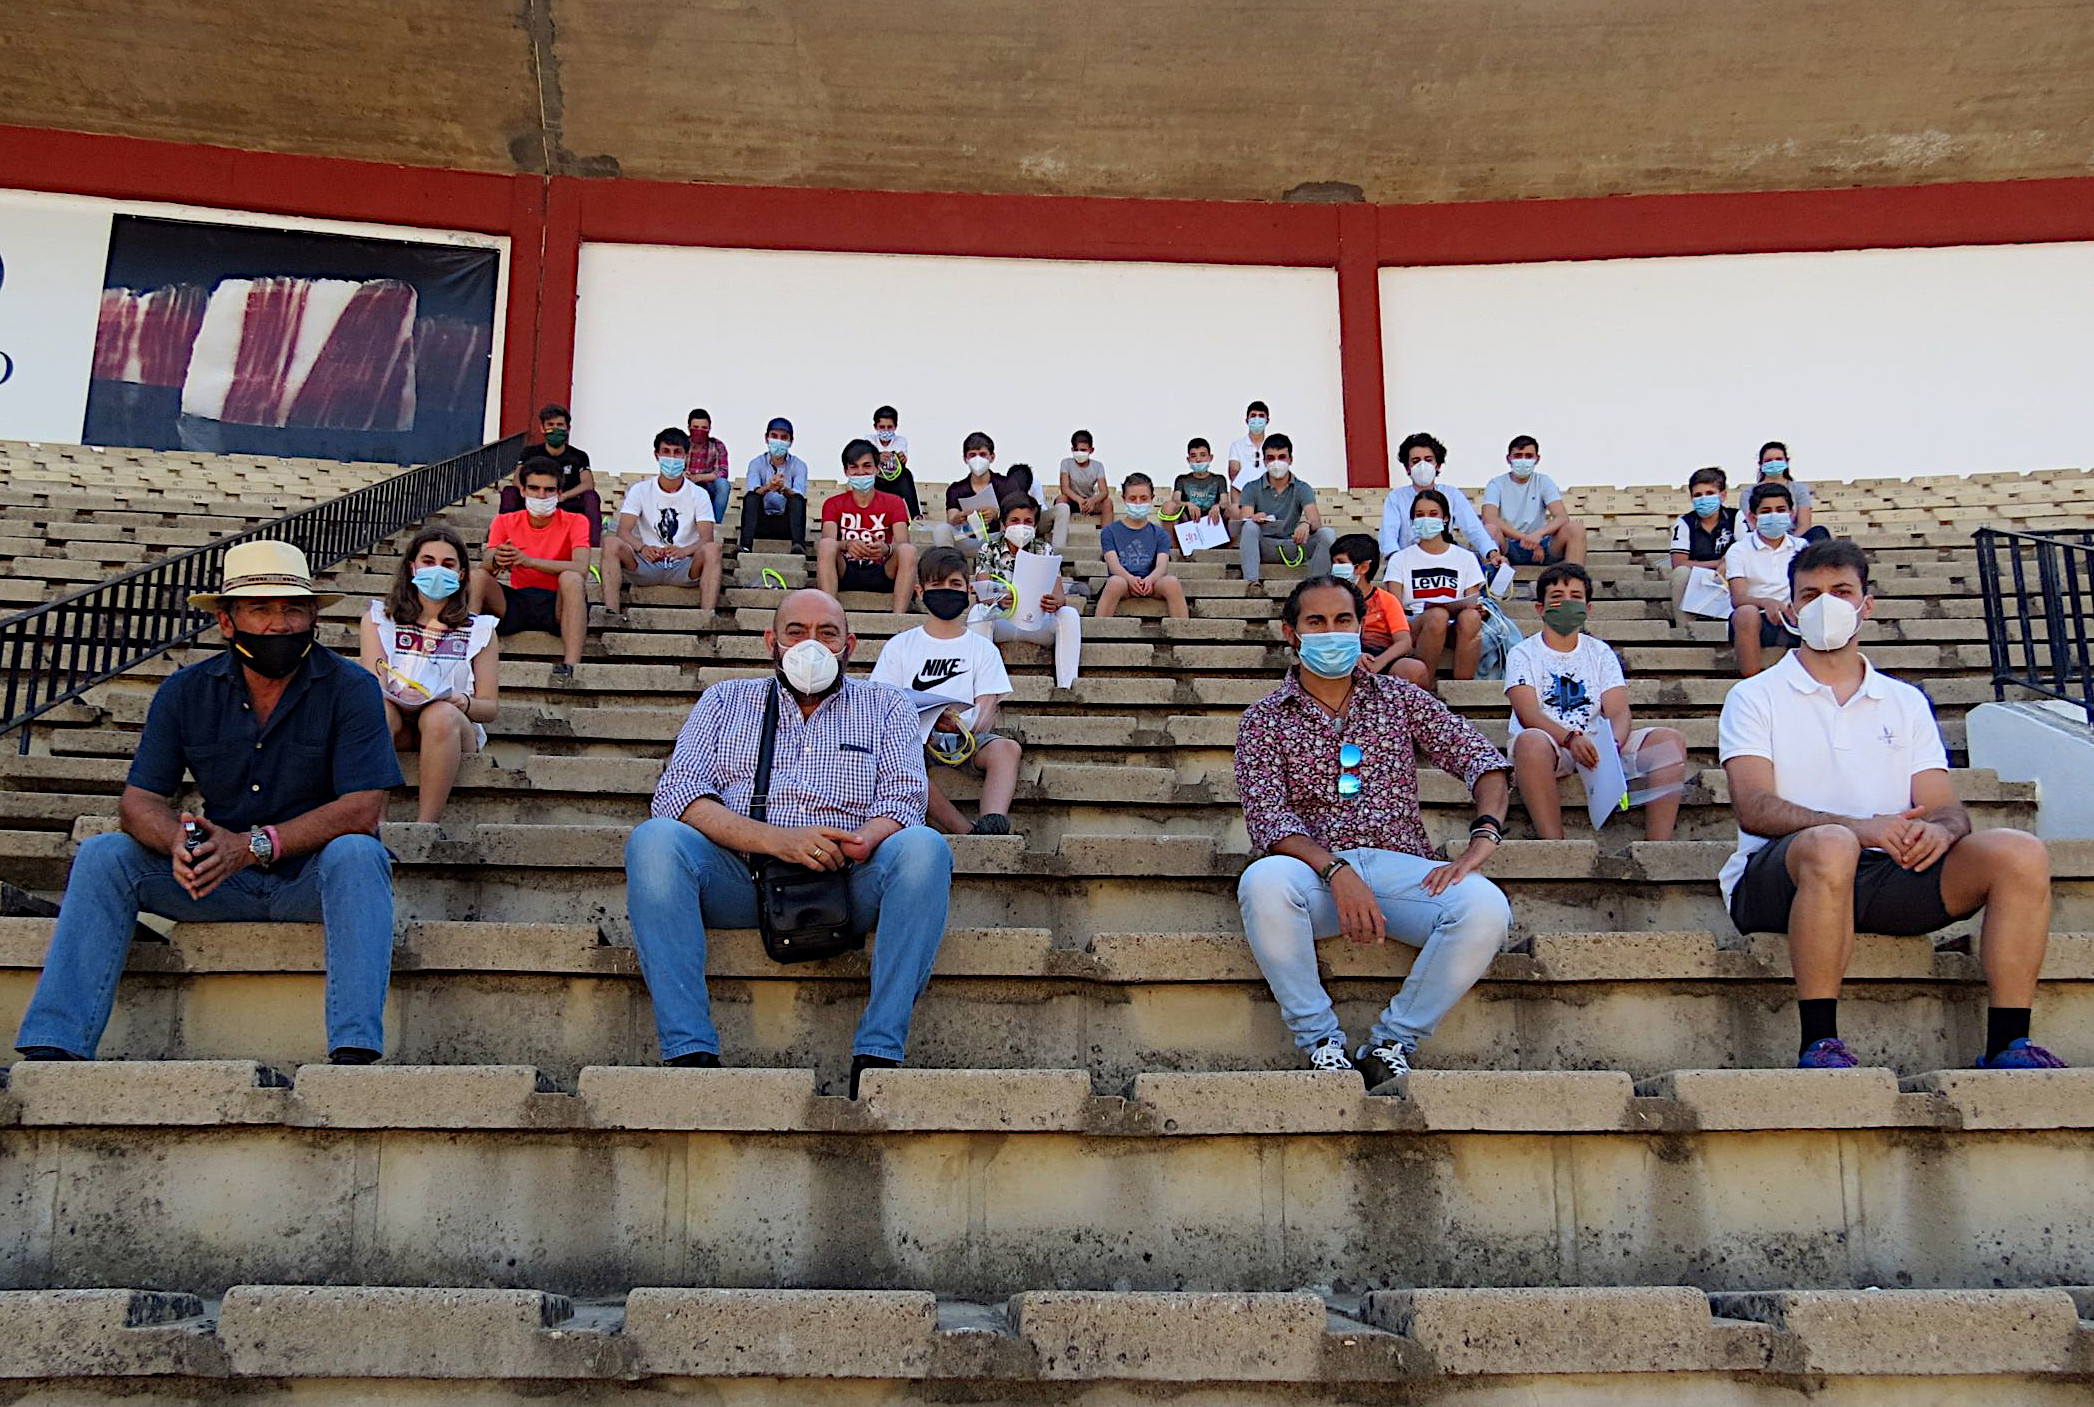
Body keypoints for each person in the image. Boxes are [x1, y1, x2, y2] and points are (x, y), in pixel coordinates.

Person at [13, 541, 400, 1065]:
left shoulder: (352, 687)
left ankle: (355, 1051)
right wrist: (178, 840)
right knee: (106, 855)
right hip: (216, 879)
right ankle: (54, 1044)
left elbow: (361, 808)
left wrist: (252, 845)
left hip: (313, 879)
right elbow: (139, 800)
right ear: (226, 620)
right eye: (259, 609)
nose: (278, 624)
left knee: (359, 854)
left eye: (291, 609)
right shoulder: (185, 691)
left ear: (313, 615)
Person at [1718, 539, 2062, 1070]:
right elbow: (1754, 808)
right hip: (1778, 878)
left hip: (1887, 875)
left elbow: (1946, 808)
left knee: (2020, 851)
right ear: (1789, 609)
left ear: (1866, 604)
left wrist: (1942, 832)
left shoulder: (1904, 701)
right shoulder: (1755, 695)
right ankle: (1819, 1041)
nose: (1825, 604)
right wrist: (1861, 828)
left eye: (1841, 591)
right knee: (1832, 844)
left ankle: (2009, 1042)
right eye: (1809, 594)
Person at [625, 590, 953, 1097]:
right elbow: (677, 795)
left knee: (927, 849)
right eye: (796, 631)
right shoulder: (723, 699)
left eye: (828, 633)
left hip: (846, 876)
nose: (811, 644)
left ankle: (878, 1053)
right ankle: (689, 1052)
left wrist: (862, 840)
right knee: (654, 842)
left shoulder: (887, 703)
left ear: (851, 646)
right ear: (771, 642)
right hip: (743, 874)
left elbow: (905, 801)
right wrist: (778, 841)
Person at [1234, 575, 1514, 1087]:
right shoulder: (1263, 719)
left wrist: (1485, 836)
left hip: (1399, 868)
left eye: (1343, 620)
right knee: (1262, 881)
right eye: (1315, 622)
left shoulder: (1400, 698)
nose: (1331, 632)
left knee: (1486, 906)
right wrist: (1336, 870)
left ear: (1361, 626)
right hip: (1313, 876)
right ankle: (1322, 1042)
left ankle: (1392, 1042)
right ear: (1290, 633)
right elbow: (1268, 818)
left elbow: (1482, 760)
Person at [1505, 563, 1686, 841]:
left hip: (1598, 744)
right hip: (1550, 744)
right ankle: (1555, 844)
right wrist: (1569, 739)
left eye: (1576, 597)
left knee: (1669, 741)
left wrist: (1611, 747)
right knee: (1530, 742)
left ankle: (1658, 845)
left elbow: (1618, 710)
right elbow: (1528, 712)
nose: (1567, 603)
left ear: (1588, 609)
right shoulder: (1522, 654)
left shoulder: (1600, 653)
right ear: (1540, 609)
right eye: (1557, 598)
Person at [870, 549, 1023, 837]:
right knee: (906, 770)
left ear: (967, 590)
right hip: (914, 740)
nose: (946, 591)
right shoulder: (900, 645)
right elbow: (883, 702)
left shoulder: (982, 647)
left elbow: (988, 707)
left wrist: (962, 724)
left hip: (967, 737)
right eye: (936, 585)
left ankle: (993, 821)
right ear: (919, 590)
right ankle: (964, 830)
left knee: (1007, 749)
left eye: (954, 585)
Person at [359, 525, 500, 824]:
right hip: (398, 721)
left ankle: (425, 826)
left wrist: (457, 699)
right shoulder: (378, 620)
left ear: (462, 574)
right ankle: (376, 823)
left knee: (438, 714)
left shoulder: (481, 629)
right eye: (428, 561)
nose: (438, 570)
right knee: (378, 710)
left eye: (448, 564)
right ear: (412, 567)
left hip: (452, 727)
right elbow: (372, 684)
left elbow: (489, 707)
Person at [470, 458, 592, 679]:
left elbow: (581, 568)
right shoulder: (504, 521)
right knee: (477, 576)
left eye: (548, 490)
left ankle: (571, 665)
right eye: (534, 488)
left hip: (558, 603)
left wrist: (529, 561)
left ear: (559, 492)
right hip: (517, 600)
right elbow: (486, 562)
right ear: (523, 491)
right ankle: (464, 654)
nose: (541, 496)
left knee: (572, 579)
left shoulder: (577, 521)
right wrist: (498, 559)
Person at [602, 427, 725, 618]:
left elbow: (706, 537)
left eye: (677, 452)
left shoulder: (699, 494)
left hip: (684, 564)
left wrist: (684, 551)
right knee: (610, 543)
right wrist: (642, 548)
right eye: (666, 452)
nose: (672, 458)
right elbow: (623, 532)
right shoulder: (640, 490)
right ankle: (611, 613)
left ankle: (707, 616)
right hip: (647, 562)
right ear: (657, 455)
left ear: (686, 455)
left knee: (713, 549)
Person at [970, 495, 1085, 690]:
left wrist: (1054, 602)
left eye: (1028, 521)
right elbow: (984, 591)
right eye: (1014, 521)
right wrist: (999, 596)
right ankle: (981, 687)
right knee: (978, 613)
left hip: (1037, 621)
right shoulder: (988, 549)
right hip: (1003, 620)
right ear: (1003, 524)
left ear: (1035, 524)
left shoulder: (1044, 549)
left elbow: (1060, 597)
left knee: (1069, 614)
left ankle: (1067, 687)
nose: (1021, 526)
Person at [1385, 489, 1486, 689]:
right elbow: (1393, 606)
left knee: (1471, 617)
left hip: (1455, 624)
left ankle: (1462, 689)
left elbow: (1473, 598)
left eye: (1433, 514)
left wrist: (1478, 609)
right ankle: (1425, 684)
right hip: (1416, 624)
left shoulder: (1465, 558)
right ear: (1412, 520)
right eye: (1420, 515)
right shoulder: (1400, 559)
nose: (1426, 520)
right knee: (1437, 615)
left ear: (1445, 519)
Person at [818, 438, 919, 614]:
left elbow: (903, 542)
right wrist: (848, 545)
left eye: (867, 466)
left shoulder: (894, 502)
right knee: (826, 545)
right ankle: (829, 615)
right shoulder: (833, 504)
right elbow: (828, 540)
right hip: (846, 570)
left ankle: (898, 620)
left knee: (908, 551)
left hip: (882, 569)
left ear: (877, 468)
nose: (861, 472)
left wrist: (886, 549)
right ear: (846, 471)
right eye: (854, 467)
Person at [1378, 432, 1504, 568]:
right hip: (1407, 563)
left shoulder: (1452, 495)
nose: (1422, 465)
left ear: (1437, 465)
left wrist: (1492, 553)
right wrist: (1398, 562)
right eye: (1416, 461)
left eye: (1428, 459)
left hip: (1445, 561)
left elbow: (1473, 528)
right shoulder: (1396, 497)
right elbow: (1388, 535)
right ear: (1408, 467)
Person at [1724, 481, 1807, 679]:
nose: (1774, 515)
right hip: (1756, 618)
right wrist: (1766, 603)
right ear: (1753, 517)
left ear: (1791, 513)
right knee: (1745, 613)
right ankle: (1752, 682)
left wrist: (1793, 608)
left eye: (1780, 510)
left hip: (1794, 615)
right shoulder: (1738, 550)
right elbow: (1738, 598)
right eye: (1766, 511)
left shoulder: (1802, 546)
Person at [1230, 434, 1335, 583]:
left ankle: (1315, 585)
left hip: (1294, 544)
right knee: (1249, 527)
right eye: (1271, 458)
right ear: (1265, 461)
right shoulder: (1251, 487)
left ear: (1290, 460)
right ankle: (1251, 582)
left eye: (1282, 457)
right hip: (1263, 546)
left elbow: (1315, 520)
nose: (1276, 462)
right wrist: (1254, 517)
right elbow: (1246, 518)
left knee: (1327, 534)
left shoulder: (1302, 488)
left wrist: (1306, 524)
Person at [1331, 533, 1427, 685]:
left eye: (1341, 563)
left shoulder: (1386, 600)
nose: (1334, 568)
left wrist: (1378, 662)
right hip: (1340, 656)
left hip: (1381, 658)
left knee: (1415, 669)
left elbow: (1404, 641)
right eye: (1333, 563)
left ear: (1363, 567)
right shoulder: (1327, 599)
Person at [500, 403, 602, 547]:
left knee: (591, 497)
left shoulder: (579, 456)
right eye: (550, 424)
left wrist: (563, 496)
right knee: (509, 492)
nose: (555, 429)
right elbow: (517, 479)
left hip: (565, 501)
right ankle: (504, 538)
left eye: (560, 425)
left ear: (568, 428)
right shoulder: (529, 453)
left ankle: (592, 546)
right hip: (535, 499)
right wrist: (531, 494)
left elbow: (587, 484)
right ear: (542, 428)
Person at [1095, 474, 1190, 620]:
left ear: (1152, 498)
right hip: (1123, 581)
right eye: (1133, 498)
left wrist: (1149, 580)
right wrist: (1130, 579)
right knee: (1114, 582)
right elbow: (1113, 564)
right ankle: (1098, 631)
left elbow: (1161, 566)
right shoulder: (1109, 532)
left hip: (1151, 582)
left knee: (1172, 582)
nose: (1138, 503)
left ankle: (1183, 632)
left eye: (1143, 498)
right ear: (1124, 499)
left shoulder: (1160, 534)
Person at [1481, 435, 1586, 566]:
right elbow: (1489, 518)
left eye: (1528, 456)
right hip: (1509, 545)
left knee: (1576, 528)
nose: (1523, 460)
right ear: (1508, 459)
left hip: (1542, 544)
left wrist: (1538, 535)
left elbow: (1562, 517)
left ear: (1537, 459)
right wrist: (1525, 538)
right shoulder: (1496, 484)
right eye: (1518, 456)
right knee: (1490, 529)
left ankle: (1575, 580)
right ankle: (1488, 581)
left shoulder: (1544, 481)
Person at [932, 431, 1019, 559]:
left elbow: (1018, 514)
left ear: (992, 457)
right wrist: (959, 518)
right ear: (965, 459)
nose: (978, 459)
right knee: (941, 529)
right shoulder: (956, 489)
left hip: (998, 539)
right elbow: (951, 517)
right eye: (972, 455)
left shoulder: (1006, 484)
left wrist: (997, 514)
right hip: (968, 539)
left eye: (983, 455)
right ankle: (948, 566)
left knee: (1014, 529)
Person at [1668, 467, 1738, 624]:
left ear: (1723, 495)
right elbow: (1678, 563)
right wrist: (1719, 563)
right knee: (1680, 574)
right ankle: (1685, 628)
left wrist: (1728, 563)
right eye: (1698, 495)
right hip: (1699, 577)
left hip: (1731, 577)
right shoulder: (1685, 522)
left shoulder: (1736, 518)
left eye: (1710, 493)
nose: (1704, 499)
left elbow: (1747, 550)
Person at [740, 417, 810, 554]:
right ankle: (745, 545)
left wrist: (783, 489)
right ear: (766, 438)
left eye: (784, 437)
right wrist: (769, 487)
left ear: (790, 441)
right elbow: (753, 489)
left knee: (797, 500)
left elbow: (799, 493)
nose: (779, 441)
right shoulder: (756, 463)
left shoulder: (799, 465)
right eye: (774, 436)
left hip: (787, 523)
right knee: (751, 498)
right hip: (760, 522)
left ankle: (798, 545)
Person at [1742, 441, 1831, 546]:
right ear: (1761, 464)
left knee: (1819, 533)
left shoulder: (1799, 489)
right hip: (1762, 541)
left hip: (1794, 540)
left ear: (1786, 462)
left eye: (1778, 459)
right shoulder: (1748, 493)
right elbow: (1752, 525)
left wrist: (1789, 545)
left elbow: (1804, 524)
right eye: (1768, 460)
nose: (1774, 463)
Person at [1054, 429, 1110, 549]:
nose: (1079, 453)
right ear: (1072, 450)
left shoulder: (1098, 466)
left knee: (1108, 502)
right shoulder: (1066, 463)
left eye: (1083, 450)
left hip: (1090, 502)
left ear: (1091, 450)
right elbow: (1065, 488)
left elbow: (1104, 491)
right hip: (1072, 500)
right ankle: (1060, 539)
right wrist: (1079, 500)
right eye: (1076, 450)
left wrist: (1092, 501)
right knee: (1061, 499)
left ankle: (1106, 539)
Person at [870, 405, 922, 521]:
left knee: (906, 474)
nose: (886, 431)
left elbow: (899, 464)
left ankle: (916, 516)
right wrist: (878, 458)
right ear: (875, 427)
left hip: (893, 482)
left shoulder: (901, 441)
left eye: (890, 427)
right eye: (882, 427)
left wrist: (900, 459)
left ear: (895, 427)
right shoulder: (869, 440)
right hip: (876, 482)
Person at [684, 408, 733, 525]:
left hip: (710, 486)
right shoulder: (682, 444)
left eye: (704, 428)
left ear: (709, 429)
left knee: (723, 485)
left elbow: (723, 472)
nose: (699, 431)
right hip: (687, 486)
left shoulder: (717, 445)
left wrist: (699, 477)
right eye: (695, 428)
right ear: (688, 428)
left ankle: (715, 525)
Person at [1167, 438, 1232, 527]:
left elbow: (1225, 502)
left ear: (1210, 457)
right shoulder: (1182, 479)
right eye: (1193, 456)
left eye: (1203, 455)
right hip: (1188, 522)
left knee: (1233, 509)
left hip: (1214, 521)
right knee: (1170, 506)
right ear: (1188, 459)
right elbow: (1175, 501)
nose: (1198, 460)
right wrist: (1188, 504)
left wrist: (1217, 506)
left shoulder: (1219, 479)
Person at [1226, 400, 1272, 489]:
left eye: (1261, 416)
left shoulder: (1273, 446)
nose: (1257, 419)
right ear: (1247, 420)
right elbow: (1234, 475)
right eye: (1253, 416)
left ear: (1267, 421)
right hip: (1243, 494)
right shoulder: (1237, 446)